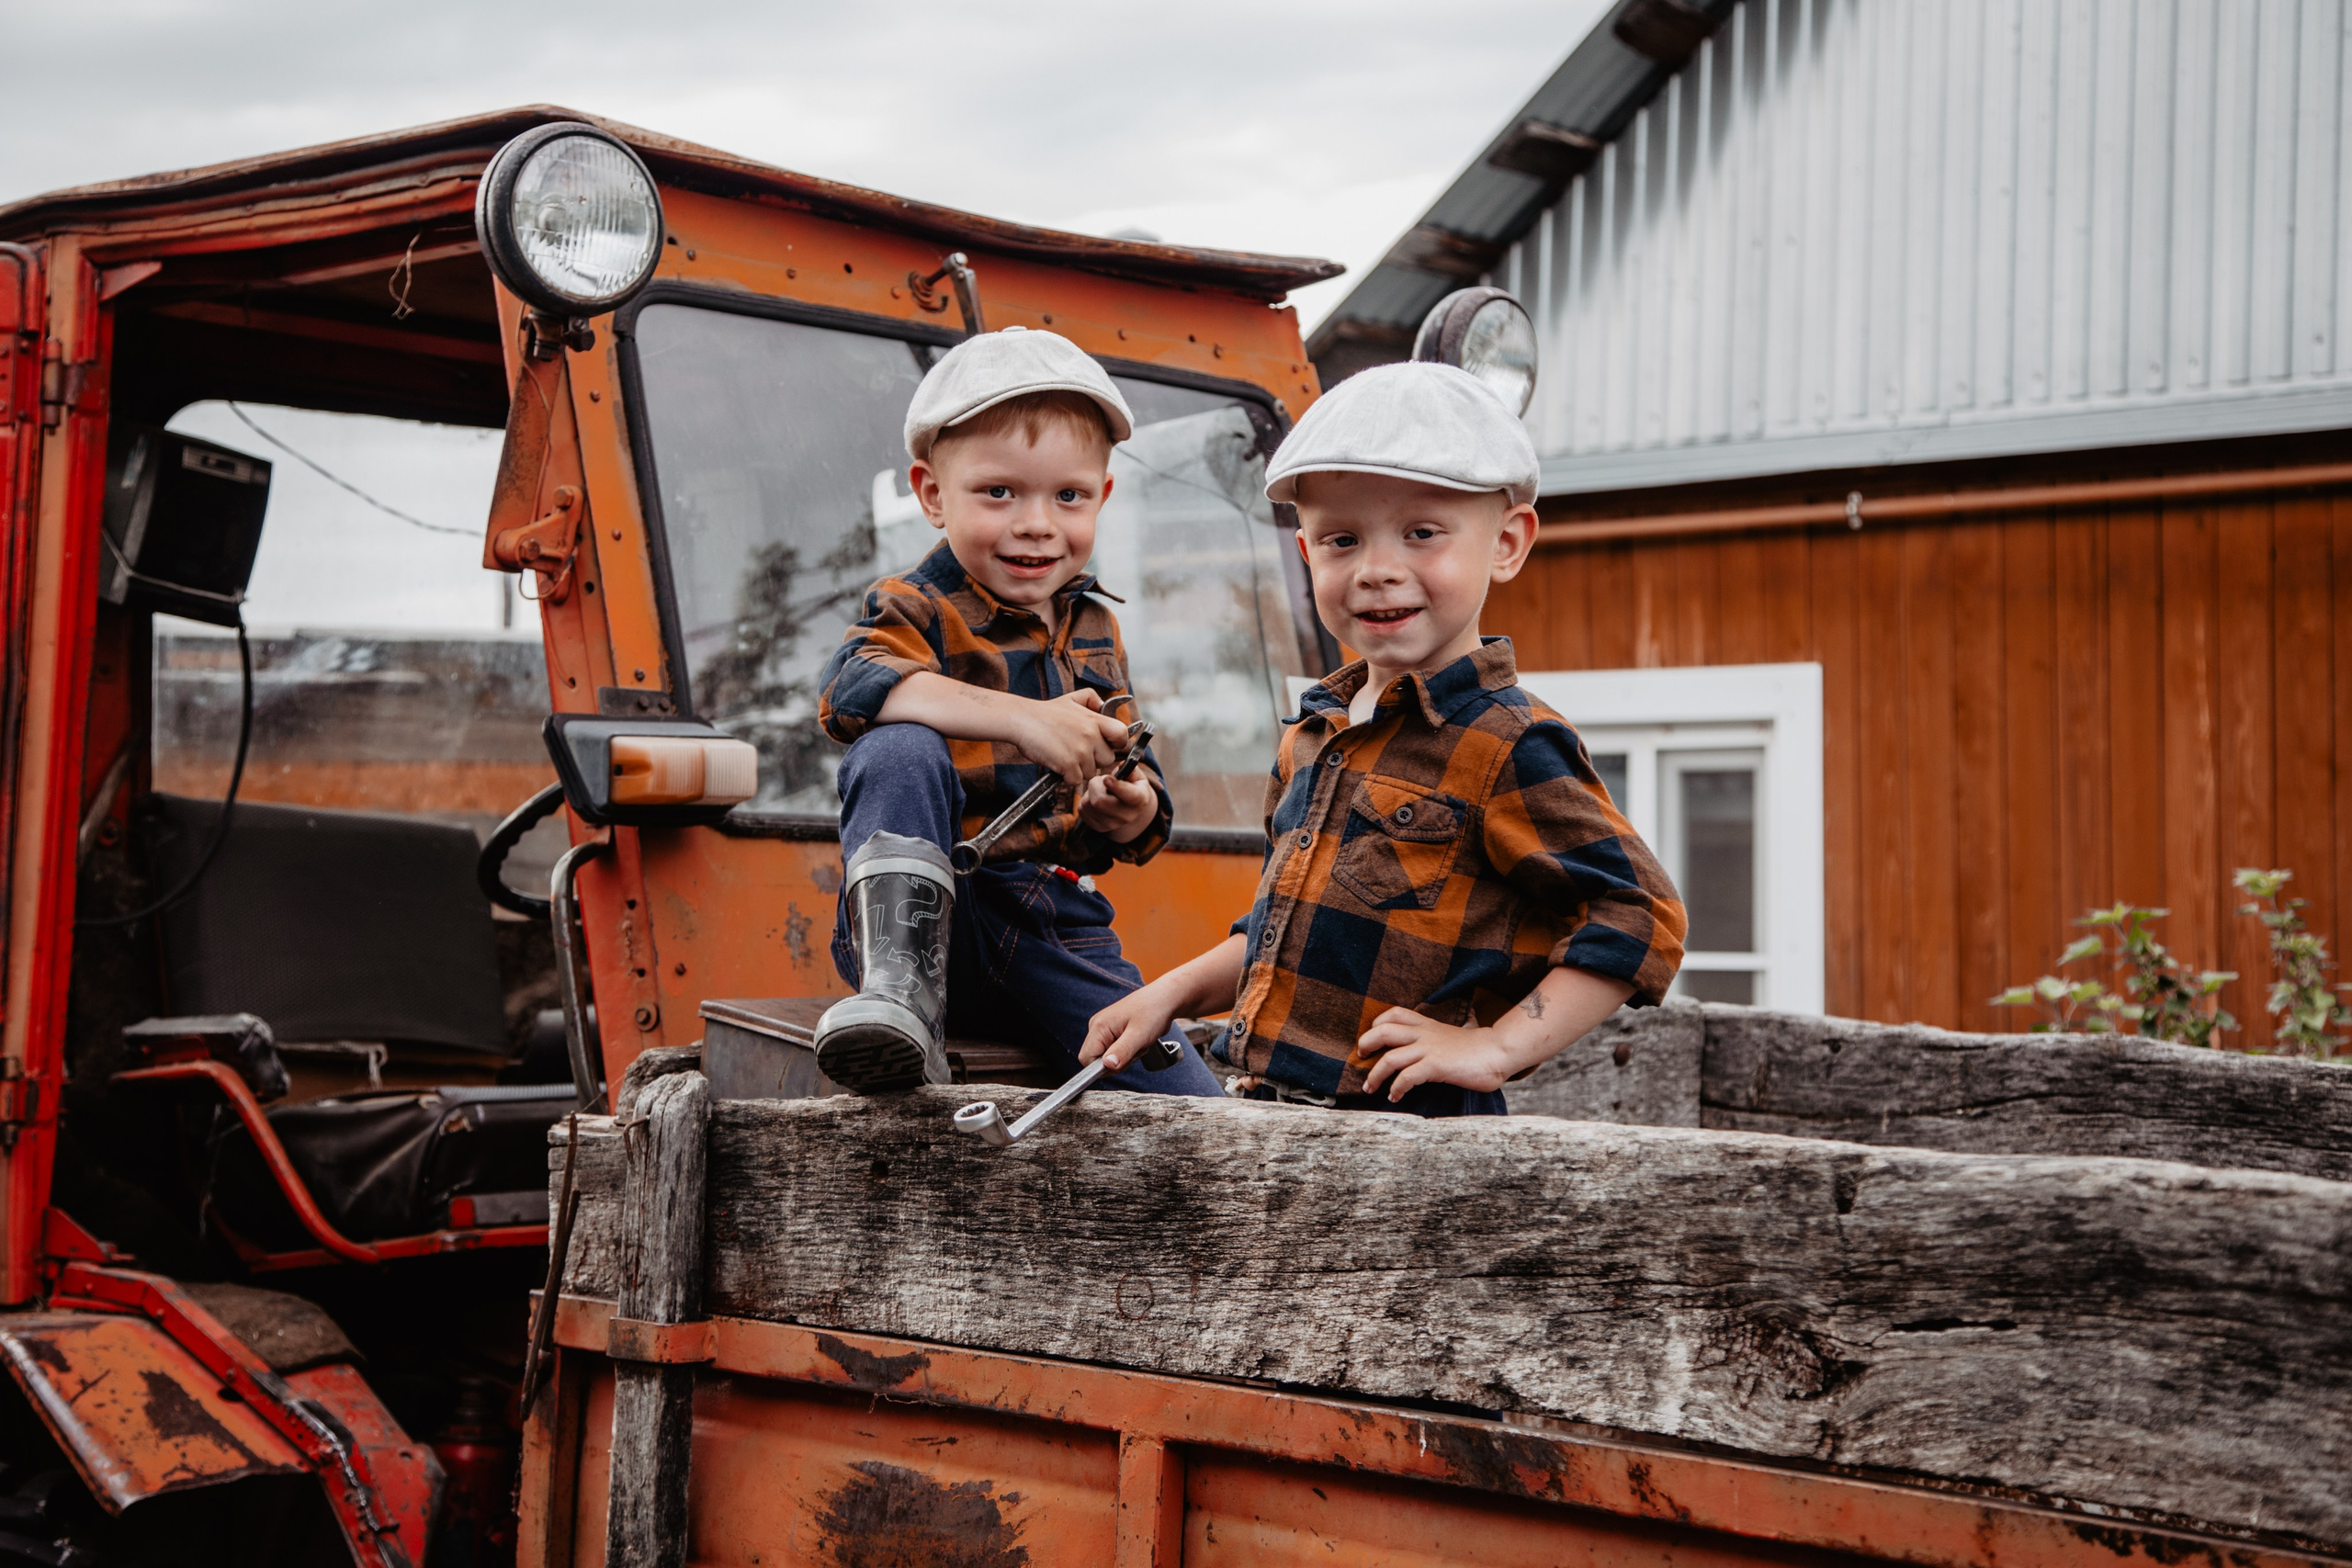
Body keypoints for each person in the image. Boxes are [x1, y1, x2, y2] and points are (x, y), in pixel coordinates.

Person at [1080, 361, 1687, 1115]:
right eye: (1341, 540)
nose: (1376, 570)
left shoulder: (1509, 742)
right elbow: (1281, 935)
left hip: (1408, 1143)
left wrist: (1493, 1046)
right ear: (1306, 556)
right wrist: (1167, 994)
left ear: (1507, 542)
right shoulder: (1312, 736)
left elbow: (1641, 915)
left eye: (1422, 533)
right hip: (1270, 1121)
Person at [811, 325, 1223, 1098]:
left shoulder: (1096, 628)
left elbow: (1146, 804)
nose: (1036, 522)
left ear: (1101, 496)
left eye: (1067, 495)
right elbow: (849, 690)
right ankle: (899, 1003)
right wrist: (1020, 717)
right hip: (928, 925)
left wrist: (1126, 806)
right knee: (896, 744)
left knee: (1189, 1101)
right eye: (999, 492)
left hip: (1053, 924)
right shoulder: (914, 606)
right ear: (933, 494)